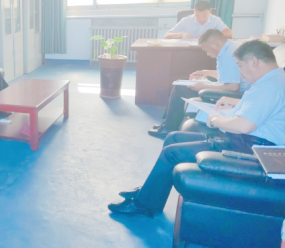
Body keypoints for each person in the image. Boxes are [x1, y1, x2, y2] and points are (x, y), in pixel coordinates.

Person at [110, 40, 285, 217]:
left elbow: (244, 126)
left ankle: (143, 204)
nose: (240, 71)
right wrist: (236, 104)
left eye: (240, 66)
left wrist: (215, 120)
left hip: (251, 148)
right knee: (173, 137)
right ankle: (149, 194)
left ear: (254, 62)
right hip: (248, 141)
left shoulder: (269, 87)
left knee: (172, 153)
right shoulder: (274, 79)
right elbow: (260, 109)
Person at [149, 29, 250, 138]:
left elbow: (233, 86)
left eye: (207, 49)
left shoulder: (228, 55)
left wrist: (204, 86)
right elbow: (228, 75)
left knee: (180, 88)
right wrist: (205, 72)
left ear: (216, 43)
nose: (207, 53)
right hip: (234, 91)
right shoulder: (230, 47)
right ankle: (167, 124)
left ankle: (168, 128)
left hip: (233, 95)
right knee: (181, 86)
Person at [164, 0, 232, 39]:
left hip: (209, 50)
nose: (201, 18)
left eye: (204, 15)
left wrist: (209, 36)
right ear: (194, 11)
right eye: (197, 15)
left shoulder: (215, 20)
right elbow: (167, 36)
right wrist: (181, 34)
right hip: (189, 51)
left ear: (210, 11)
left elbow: (229, 33)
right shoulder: (186, 21)